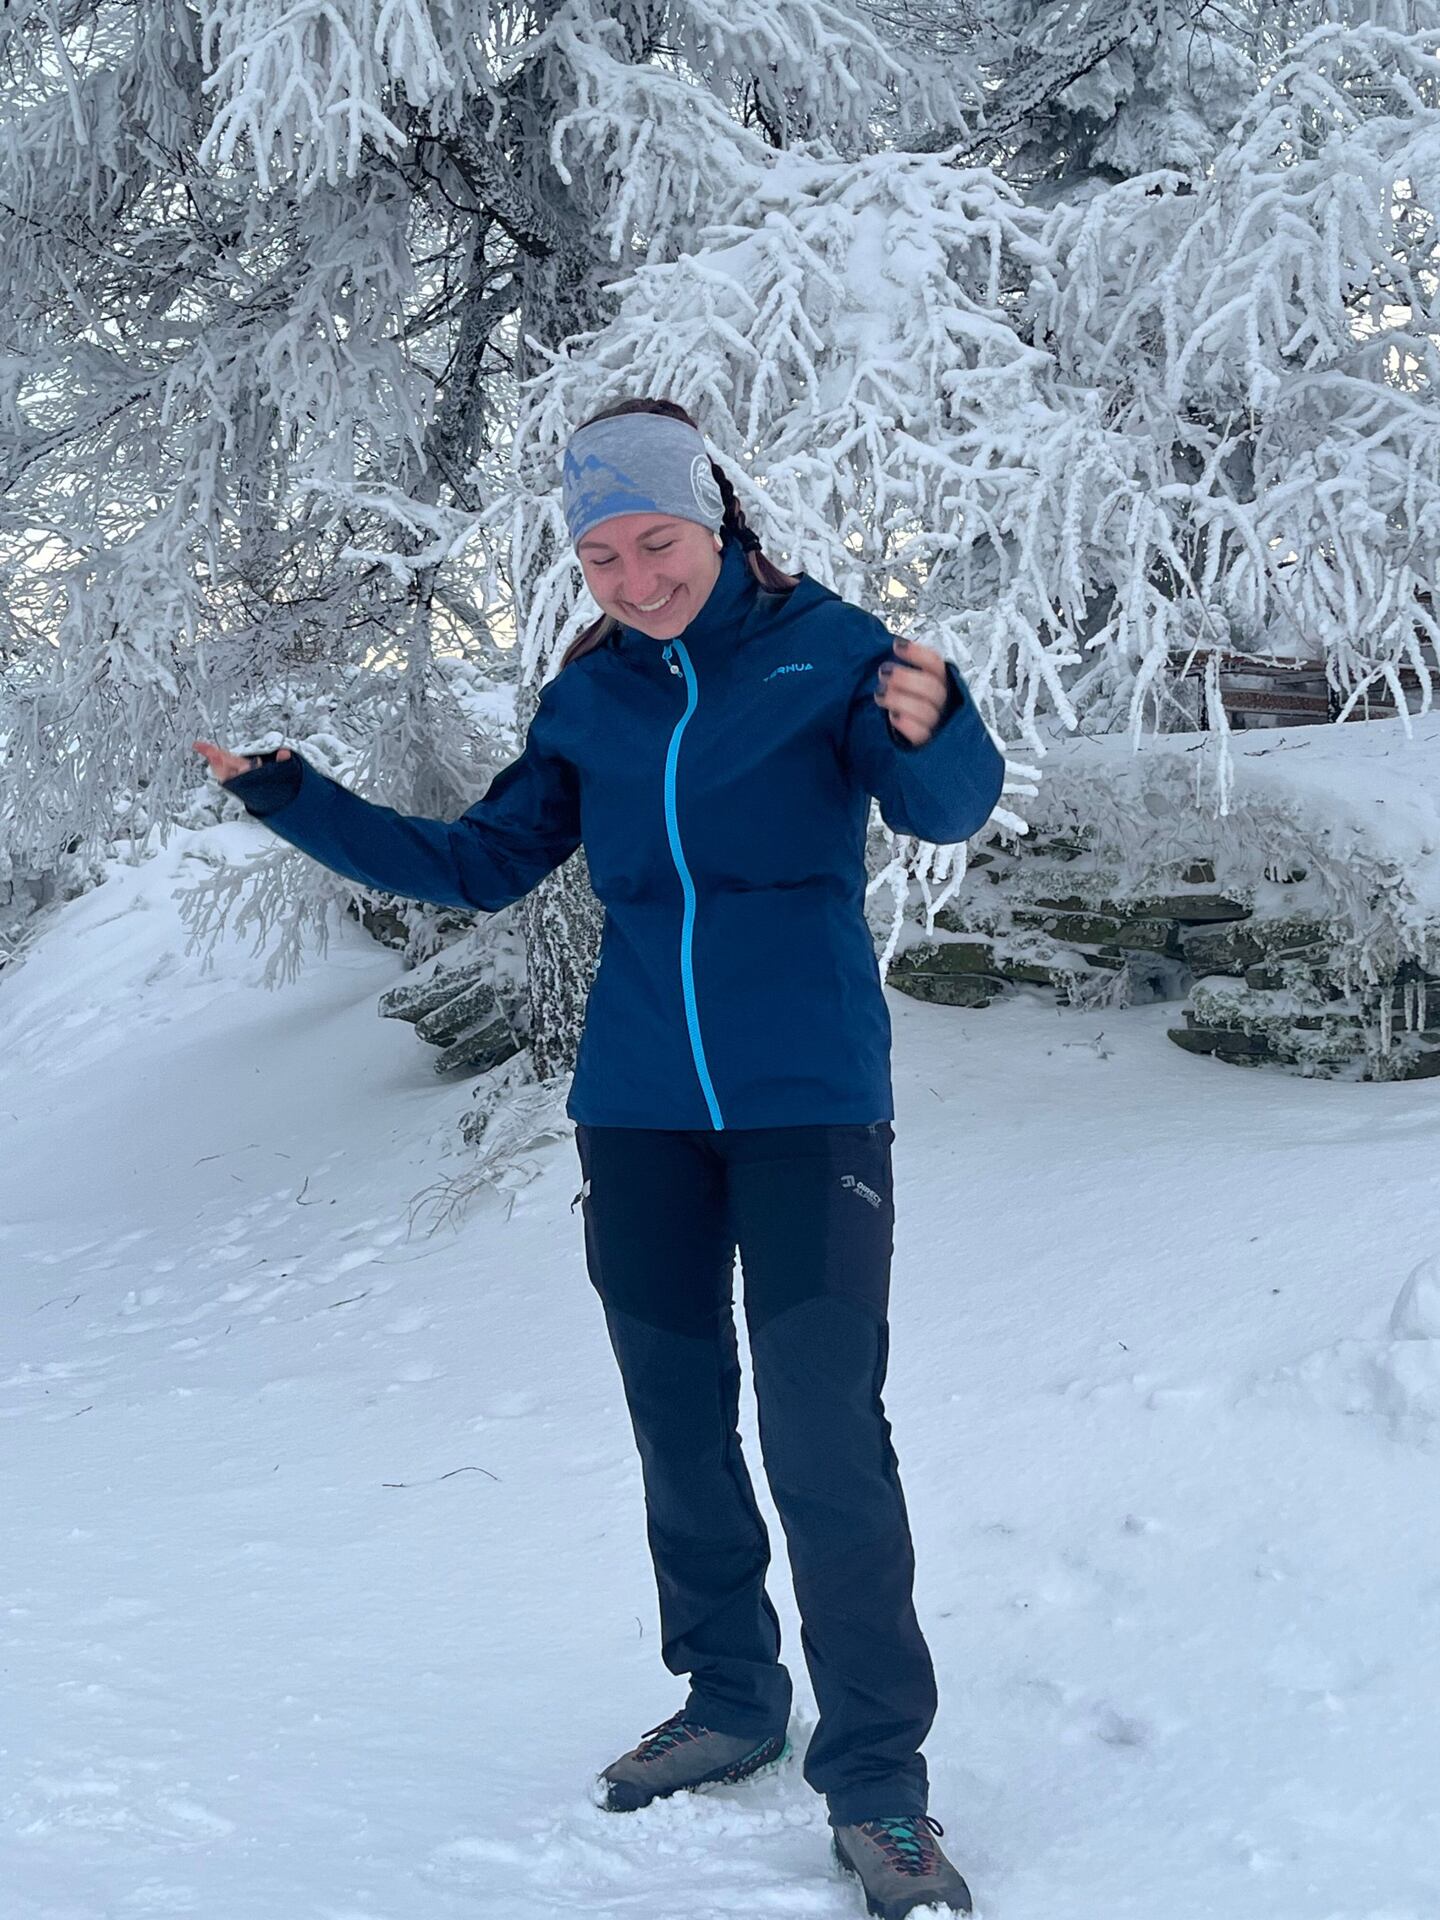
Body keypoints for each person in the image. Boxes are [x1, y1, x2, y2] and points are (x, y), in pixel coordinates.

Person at [195, 398, 1005, 1920]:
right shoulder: (592, 701)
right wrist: (294, 797)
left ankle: (879, 1786)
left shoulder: (831, 651)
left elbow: (943, 805)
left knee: (824, 1439)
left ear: (717, 521)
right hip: (637, 1111)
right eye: (601, 557)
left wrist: (939, 719)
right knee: (677, 1424)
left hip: (809, 1103)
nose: (634, 579)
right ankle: (732, 1698)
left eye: (655, 542)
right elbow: (479, 867)